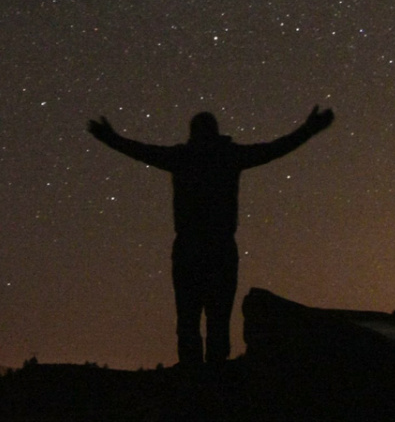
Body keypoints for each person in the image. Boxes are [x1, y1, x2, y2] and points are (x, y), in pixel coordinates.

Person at [87, 106, 335, 367]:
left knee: (189, 317)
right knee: (215, 317)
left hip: (191, 247)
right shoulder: (228, 155)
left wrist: (110, 138)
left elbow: (141, 151)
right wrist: (308, 129)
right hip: (219, 247)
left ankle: (194, 378)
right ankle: (213, 378)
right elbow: (274, 149)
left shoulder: (184, 157)